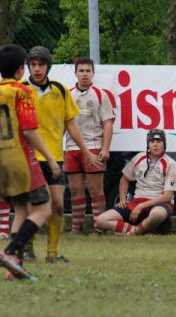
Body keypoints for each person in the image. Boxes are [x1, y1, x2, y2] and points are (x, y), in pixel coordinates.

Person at [0, 44, 61, 281]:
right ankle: (10, 251)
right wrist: (51, 158)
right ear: (21, 69)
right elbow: (30, 131)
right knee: (44, 208)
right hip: (21, 157)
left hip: (0, 158)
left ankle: (13, 269)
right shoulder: (22, 92)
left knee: (22, 210)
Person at [23, 46, 101, 263]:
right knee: (32, 206)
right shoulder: (20, 90)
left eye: (41, 65)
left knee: (57, 205)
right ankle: (28, 248)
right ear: (28, 66)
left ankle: (52, 253)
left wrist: (85, 150)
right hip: (28, 158)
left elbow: (70, 123)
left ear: (48, 67)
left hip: (55, 158)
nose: (37, 69)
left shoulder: (60, 90)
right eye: (33, 65)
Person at [96, 129, 176, 235]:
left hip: (159, 203)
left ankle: (135, 232)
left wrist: (141, 206)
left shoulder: (171, 164)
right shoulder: (139, 158)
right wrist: (122, 199)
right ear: (148, 144)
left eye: (159, 142)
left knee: (157, 214)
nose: (155, 145)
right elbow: (124, 179)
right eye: (152, 141)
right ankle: (133, 230)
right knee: (101, 220)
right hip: (137, 201)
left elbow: (167, 196)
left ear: (164, 144)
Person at [67, 57, 116, 234]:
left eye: (88, 71)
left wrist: (105, 148)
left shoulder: (101, 95)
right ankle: (76, 228)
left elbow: (108, 123)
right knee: (75, 191)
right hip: (72, 148)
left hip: (94, 146)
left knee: (95, 190)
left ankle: (99, 228)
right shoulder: (68, 95)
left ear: (93, 73)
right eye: (81, 71)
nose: (85, 74)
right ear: (75, 73)